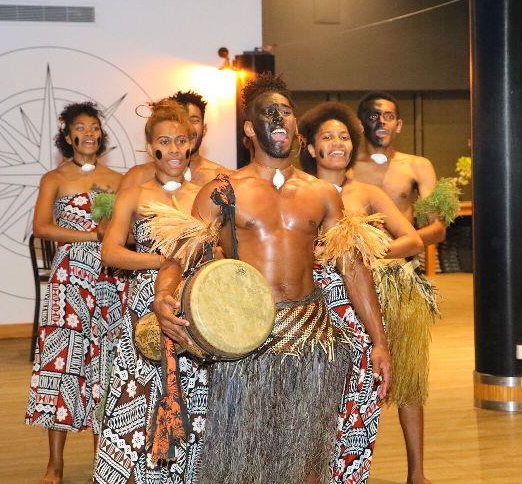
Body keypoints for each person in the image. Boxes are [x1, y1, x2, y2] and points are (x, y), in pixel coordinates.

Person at [150, 74, 392, 484]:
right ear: (249, 129)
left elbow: (353, 266)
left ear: (297, 125)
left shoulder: (322, 193)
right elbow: (178, 255)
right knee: (244, 460)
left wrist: (380, 341)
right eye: (269, 113)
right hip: (246, 339)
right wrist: (163, 296)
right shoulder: (221, 191)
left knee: (306, 460)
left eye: (287, 112)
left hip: (312, 338)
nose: (280, 119)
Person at [299, 102, 428, 483]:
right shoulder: (300, 192)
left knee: (367, 396)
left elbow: (412, 240)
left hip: (364, 306)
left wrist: (365, 250)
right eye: (327, 137)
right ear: (310, 147)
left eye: (343, 137)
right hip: (312, 309)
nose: (337, 144)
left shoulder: (367, 193)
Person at [92, 99, 206, 484]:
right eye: (165, 142)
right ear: (150, 146)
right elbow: (111, 252)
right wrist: (163, 262)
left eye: (181, 141)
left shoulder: (203, 196)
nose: (174, 150)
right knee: (138, 392)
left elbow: (222, 247)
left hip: (196, 306)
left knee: (195, 393)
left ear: (191, 143)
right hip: (145, 305)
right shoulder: (134, 195)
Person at [351, 92, 449, 484]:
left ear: (400, 124)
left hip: (401, 278)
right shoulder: (345, 167)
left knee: (409, 378)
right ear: (361, 124)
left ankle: (417, 474)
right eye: (374, 116)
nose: (382, 122)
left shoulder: (417, 166)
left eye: (389, 116)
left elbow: (437, 227)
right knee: (353, 378)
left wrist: (387, 249)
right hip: (353, 280)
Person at [25, 102, 122, 484]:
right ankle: (55, 463)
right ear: (68, 137)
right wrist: (89, 236)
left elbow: (125, 228)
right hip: (69, 280)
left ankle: (103, 459)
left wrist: (112, 234)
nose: (90, 134)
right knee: (61, 365)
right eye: (81, 128)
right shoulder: (54, 178)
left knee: (106, 366)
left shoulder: (117, 179)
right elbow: (41, 229)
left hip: (110, 278)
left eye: (95, 127)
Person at [119, 90, 227, 190]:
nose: (187, 127)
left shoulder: (221, 178)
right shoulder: (137, 176)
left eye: (194, 120)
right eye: (180, 121)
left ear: (205, 129)